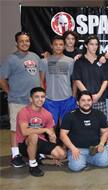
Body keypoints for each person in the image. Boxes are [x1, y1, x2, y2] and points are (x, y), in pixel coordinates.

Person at [0, 31, 46, 168]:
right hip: (17, 101)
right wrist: (9, 92)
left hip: (34, 102)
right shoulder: (11, 59)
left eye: (27, 41)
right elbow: (1, 78)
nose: (24, 43)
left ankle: (35, 152)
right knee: (16, 129)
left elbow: (41, 73)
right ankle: (15, 155)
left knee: (35, 127)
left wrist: (41, 90)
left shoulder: (35, 57)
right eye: (21, 41)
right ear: (16, 43)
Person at [16, 87, 66, 177]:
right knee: (33, 136)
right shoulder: (23, 112)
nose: (40, 99)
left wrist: (55, 156)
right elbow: (24, 131)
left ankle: (39, 155)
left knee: (62, 154)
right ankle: (33, 164)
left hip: (40, 141)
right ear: (31, 99)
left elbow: (52, 135)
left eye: (42, 97)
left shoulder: (47, 114)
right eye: (37, 97)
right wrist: (45, 129)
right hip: (25, 143)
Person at [60, 90, 108, 172]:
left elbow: (105, 131)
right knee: (76, 167)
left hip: (95, 148)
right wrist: (72, 148)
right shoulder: (70, 116)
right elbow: (62, 134)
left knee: (105, 162)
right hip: (77, 149)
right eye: (83, 100)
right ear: (77, 102)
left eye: (89, 100)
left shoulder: (99, 114)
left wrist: (101, 144)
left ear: (92, 101)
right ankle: (82, 159)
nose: (86, 103)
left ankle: (85, 159)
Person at [42, 35, 77, 127]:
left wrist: (73, 96)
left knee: (65, 125)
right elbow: (41, 80)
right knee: (50, 126)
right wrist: (43, 97)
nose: (58, 46)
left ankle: (63, 142)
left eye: (61, 44)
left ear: (64, 46)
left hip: (67, 98)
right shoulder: (44, 61)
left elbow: (74, 81)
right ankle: (52, 142)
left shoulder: (70, 61)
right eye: (56, 44)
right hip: (50, 99)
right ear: (51, 46)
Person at [72, 35, 108, 115]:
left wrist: (98, 95)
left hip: (99, 99)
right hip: (84, 100)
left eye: (96, 44)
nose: (94, 47)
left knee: (101, 125)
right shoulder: (79, 61)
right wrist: (88, 96)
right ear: (86, 45)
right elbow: (77, 80)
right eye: (91, 44)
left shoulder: (102, 60)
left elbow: (105, 80)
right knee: (82, 126)